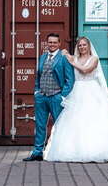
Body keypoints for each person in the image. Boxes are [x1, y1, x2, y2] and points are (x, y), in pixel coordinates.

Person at [43, 36, 108, 163]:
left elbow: (85, 71)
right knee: (77, 121)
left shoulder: (94, 59)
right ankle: (77, 150)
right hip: (77, 91)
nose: (82, 47)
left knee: (95, 119)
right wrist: (65, 54)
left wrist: (71, 61)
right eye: (80, 45)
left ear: (88, 46)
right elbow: (65, 60)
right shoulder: (75, 58)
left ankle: (102, 149)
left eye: (84, 45)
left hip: (92, 91)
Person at [23, 32, 75, 162]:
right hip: (42, 97)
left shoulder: (63, 58)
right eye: (49, 42)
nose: (51, 44)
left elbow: (70, 79)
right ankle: (37, 152)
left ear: (59, 44)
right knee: (40, 125)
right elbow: (38, 76)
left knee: (60, 125)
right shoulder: (42, 57)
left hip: (56, 97)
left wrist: (62, 96)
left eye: (54, 42)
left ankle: (62, 151)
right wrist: (36, 91)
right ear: (47, 43)